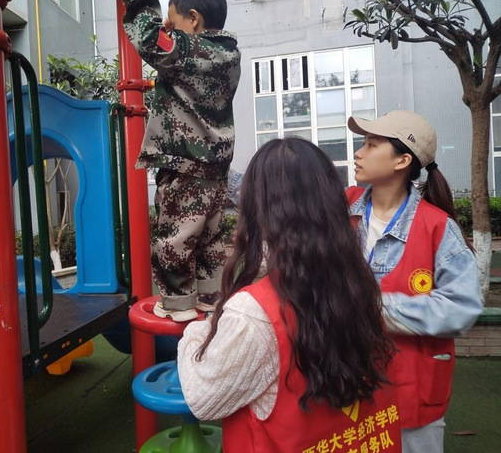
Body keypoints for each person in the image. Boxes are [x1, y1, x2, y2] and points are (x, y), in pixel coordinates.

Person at [178, 137, 402, 452]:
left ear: (256, 209)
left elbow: (204, 399)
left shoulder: (252, 313)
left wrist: (196, 332)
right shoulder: (357, 283)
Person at [347, 110, 484, 453]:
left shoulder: (438, 227)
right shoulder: (339, 209)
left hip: (410, 394)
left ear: (402, 160)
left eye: (371, 144)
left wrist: (374, 310)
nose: (358, 153)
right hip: (344, 387)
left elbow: (461, 307)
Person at [123, 0, 241, 322]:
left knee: (175, 236)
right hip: (216, 171)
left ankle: (178, 303)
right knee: (210, 238)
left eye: (172, 23)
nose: (167, 28)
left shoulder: (188, 50)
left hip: (185, 165)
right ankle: (210, 295)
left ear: (193, 19)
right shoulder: (230, 55)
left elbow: (148, 38)